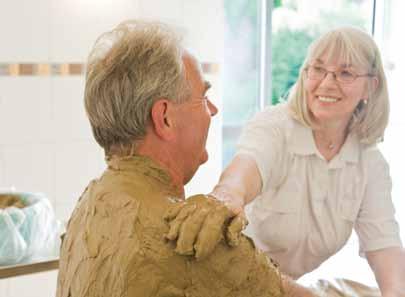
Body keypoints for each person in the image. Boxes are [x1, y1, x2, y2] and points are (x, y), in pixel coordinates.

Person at [56, 20, 317, 297]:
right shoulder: (191, 240)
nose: (213, 110)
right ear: (164, 118)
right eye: (204, 97)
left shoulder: (88, 204)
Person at [169, 27, 405, 296]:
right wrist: (227, 195)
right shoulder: (275, 127)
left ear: (370, 86)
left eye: (345, 73)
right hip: (226, 280)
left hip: (275, 285)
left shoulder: (370, 163)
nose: (327, 83)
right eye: (317, 69)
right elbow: (245, 170)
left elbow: (384, 246)